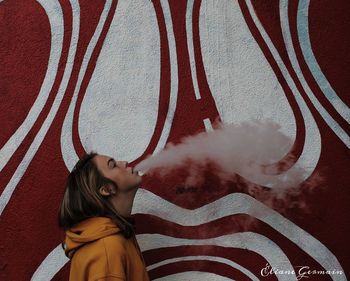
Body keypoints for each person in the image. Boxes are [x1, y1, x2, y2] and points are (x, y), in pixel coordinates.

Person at [58, 151, 150, 281]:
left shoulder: (114, 236)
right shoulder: (107, 250)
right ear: (106, 189)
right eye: (113, 165)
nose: (124, 163)